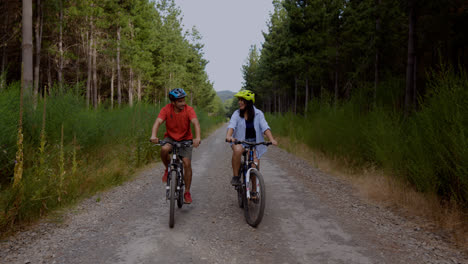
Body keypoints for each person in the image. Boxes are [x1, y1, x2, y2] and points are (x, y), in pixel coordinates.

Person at [150, 88, 201, 204]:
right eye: (180, 101)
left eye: (183, 100)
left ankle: (187, 192)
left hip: (186, 139)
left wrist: (197, 138)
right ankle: (168, 168)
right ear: (173, 102)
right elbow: (158, 122)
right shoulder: (166, 109)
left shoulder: (189, 109)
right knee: (164, 149)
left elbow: (195, 123)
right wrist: (153, 135)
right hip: (171, 138)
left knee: (187, 163)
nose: (183, 103)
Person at [225, 89, 278, 186]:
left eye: (242, 100)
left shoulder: (258, 114)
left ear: (248, 102)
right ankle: (236, 177)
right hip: (240, 141)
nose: (239, 102)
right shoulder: (236, 114)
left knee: (254, 165)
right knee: (237, 150)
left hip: (254, 143)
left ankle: (254, 190)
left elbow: (265, 127)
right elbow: (231, 126)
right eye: (239, 100)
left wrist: (271, 139)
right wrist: (229, 136)